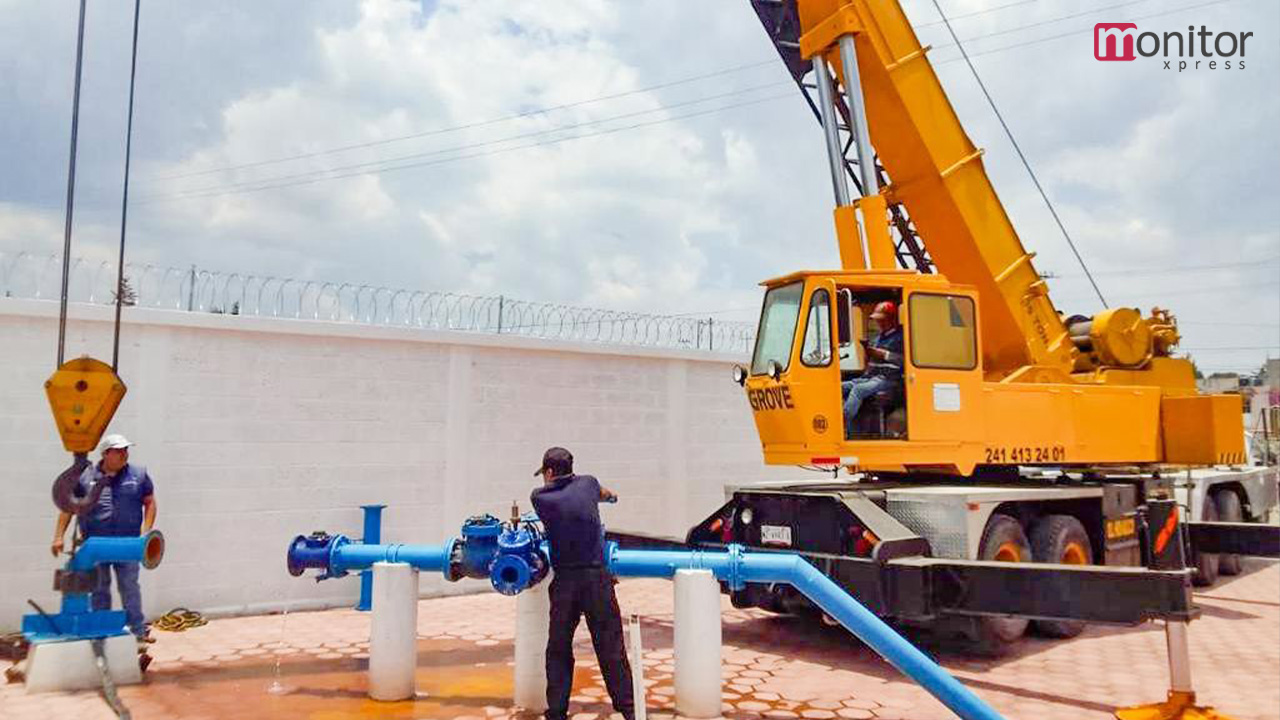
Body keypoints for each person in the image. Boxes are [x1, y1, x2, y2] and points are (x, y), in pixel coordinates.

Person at [529, 447, 634, 720]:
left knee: (559, 649)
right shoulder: (589, 483)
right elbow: (605, 494)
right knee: (611, 647)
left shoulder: (540, 497)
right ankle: (629, 709)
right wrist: (612, 497)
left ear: (549, 472)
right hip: (597, 579)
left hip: (566, 582)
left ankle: (557, 712)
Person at [50, 433, 157, 642]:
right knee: (99, 590)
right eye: (119, 451)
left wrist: (146, 531)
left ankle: (137, 631)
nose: (124, 454)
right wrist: (58, 536)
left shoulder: (138, 474)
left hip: (127, 545)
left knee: (130, 588)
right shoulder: (85, 477)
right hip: (95, 547)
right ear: (106, 454)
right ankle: (102, 632)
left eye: (126, 450)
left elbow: (150, 501)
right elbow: (68, 508)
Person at [842, 300, 904, 435]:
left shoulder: (902, 337)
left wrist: (884, 354)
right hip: (871, 377)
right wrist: (867, 351)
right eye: (878, 320)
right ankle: (853, 430)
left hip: (889, 380)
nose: (879, 323)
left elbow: (904, 360)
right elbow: (872, 359)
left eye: (882, 320)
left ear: (892, 319)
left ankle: (842, 424)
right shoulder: (878, 338)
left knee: (858, 390)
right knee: (840, 387)